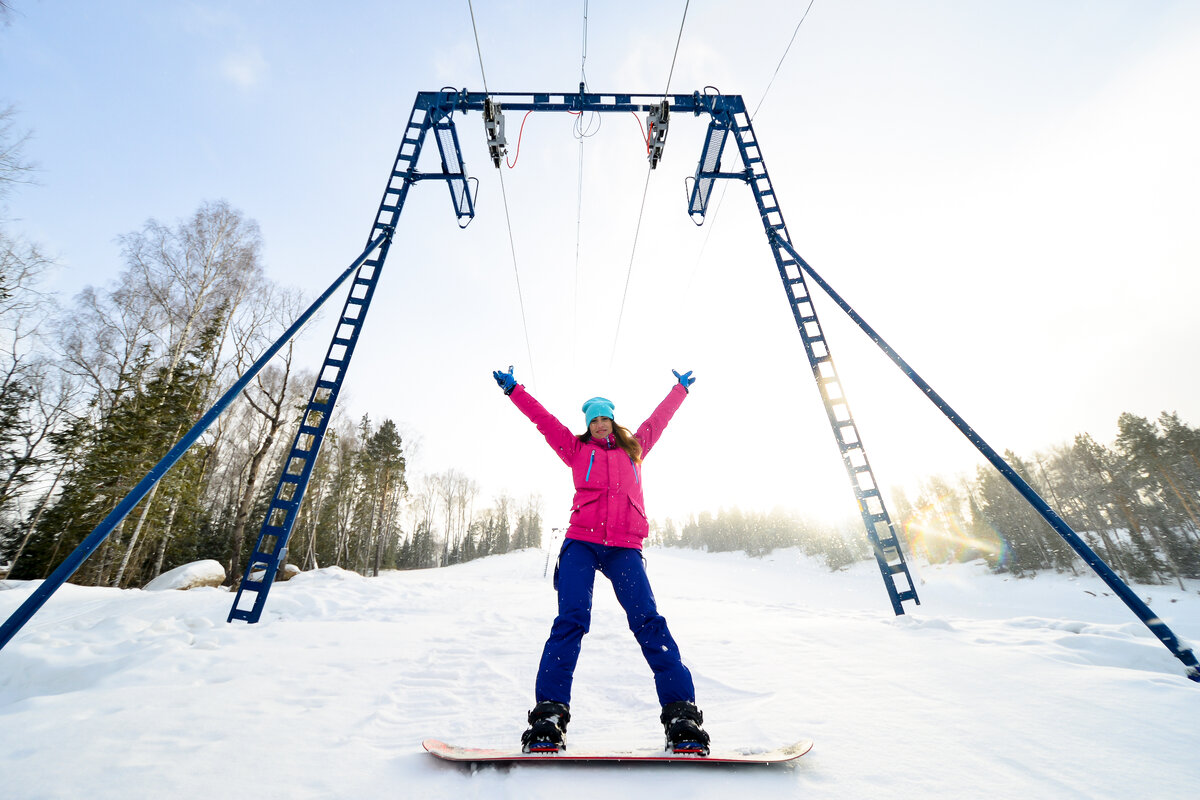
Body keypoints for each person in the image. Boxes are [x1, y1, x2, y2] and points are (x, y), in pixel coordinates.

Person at [492, 365, 710, 755]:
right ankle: (549, 717)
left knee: (648, 621)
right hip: (582, 543)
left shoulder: (635, 449)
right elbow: (544, 420)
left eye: (605, 418)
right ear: (587, 425)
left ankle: (682, 717)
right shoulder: (575, 450)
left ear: (613, 420)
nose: (600, 425)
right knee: (571, 620)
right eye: (593, 420)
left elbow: (657, 421)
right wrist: (514, 390)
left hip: (625, 547)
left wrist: (679, 390)